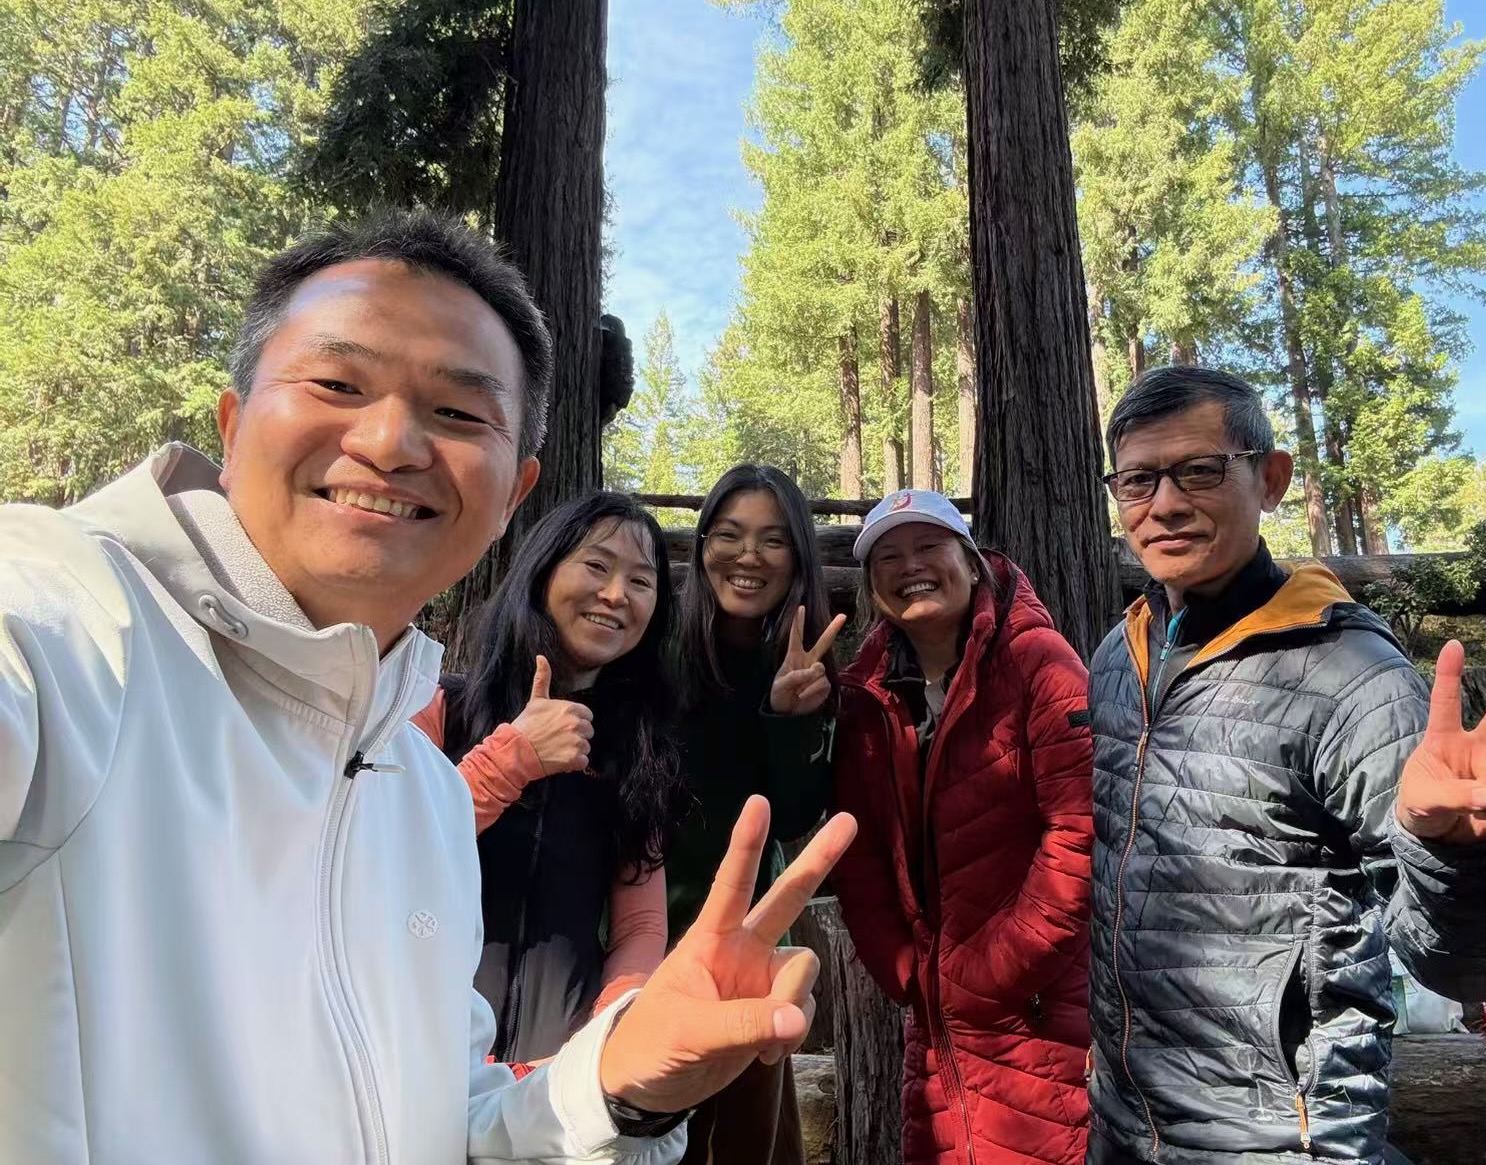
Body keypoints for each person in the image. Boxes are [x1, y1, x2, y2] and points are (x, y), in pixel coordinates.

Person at [0, 208, 855, 1163]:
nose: (391, 440)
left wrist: (614, 1073)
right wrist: (508, 759)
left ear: (511, 493)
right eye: (337, 382)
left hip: (576, 1024)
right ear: (233, 423)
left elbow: (446, 1110)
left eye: (455, 413)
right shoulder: (65, 624)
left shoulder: (424, 780)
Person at [1087, 366, 1486, 1165]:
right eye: (1137, 479)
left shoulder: (1351, 677)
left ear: (1270, 479)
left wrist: (1459, 854)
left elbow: (1477, 965)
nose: (1162, 504)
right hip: (1126, 1124)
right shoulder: (1115, 657)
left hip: (1283, 1138)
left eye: (1198, 470)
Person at [828, 489, 1095, 1165]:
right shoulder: (870, 697)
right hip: (936, 1015)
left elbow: (1080, 832)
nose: (908, 565)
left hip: (1037, 1007)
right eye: (887, 555)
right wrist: (907, 973)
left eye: (928, 546)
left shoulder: (1040, 664)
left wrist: (988, 969)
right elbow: (858, 855)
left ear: (971, 562)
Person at [412, 492, 684, 1063]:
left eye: (641, 581)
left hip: (552, 1085)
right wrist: (512, 758)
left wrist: (604, 1038)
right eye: (596, 565)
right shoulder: (441, 707)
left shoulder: (638, 754)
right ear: (543, 572)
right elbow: (386, 854)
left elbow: (639, 926)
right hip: (421, 1056)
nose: (615, 594)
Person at [663, 463, 846, 1165]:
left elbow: (795, 814)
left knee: (746, 1138)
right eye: (730, 534)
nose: (747, 556)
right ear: (702, 541)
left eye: (772, 540)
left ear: (797, 556)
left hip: (748, 936)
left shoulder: (801, 664)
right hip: (642, 931)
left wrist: (790, 719)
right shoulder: (659, 649)